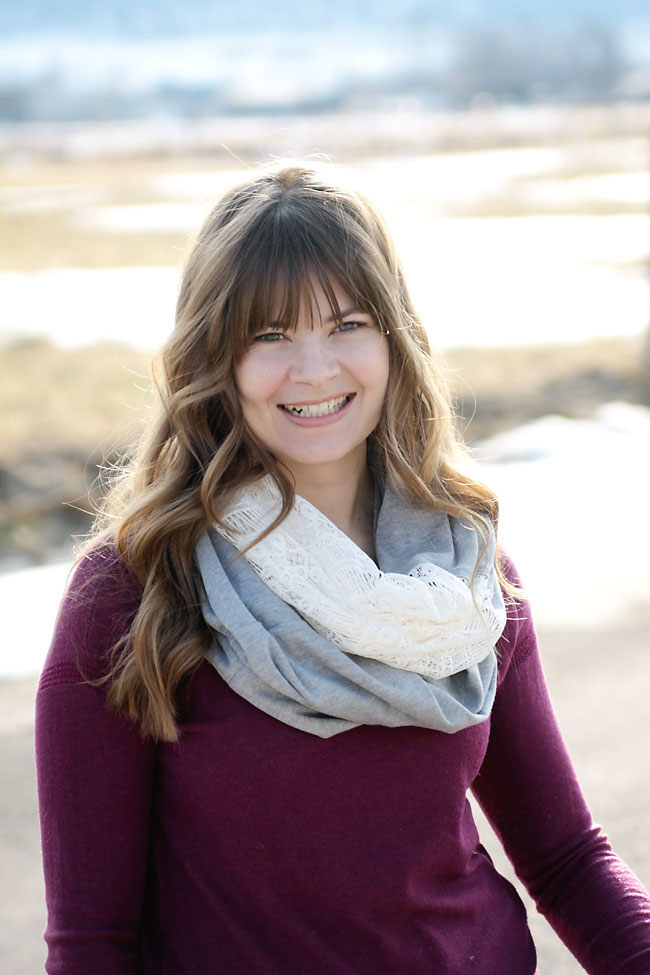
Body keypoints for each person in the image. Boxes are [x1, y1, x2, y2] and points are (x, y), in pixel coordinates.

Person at [35, 163, 650, 974]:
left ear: (393, 336)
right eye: (270, 334)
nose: (316, 368)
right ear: (213, 356)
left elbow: (568, 859)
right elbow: (91, 943)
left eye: (347, 323)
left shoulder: (466, 575)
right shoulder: (135, 590)